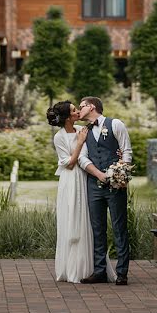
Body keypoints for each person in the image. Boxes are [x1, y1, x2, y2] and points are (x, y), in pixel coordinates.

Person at [48, 100, 117, 283]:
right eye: (73, 110)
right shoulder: (60, 137)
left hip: (86, 178)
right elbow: (69, 164)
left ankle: (91, 267)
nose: (78, 111)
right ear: (67, 117)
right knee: (72, 221)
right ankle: (72, 269)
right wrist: (79, 143)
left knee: (87, 221)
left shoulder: (82, 129)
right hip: (71, 182)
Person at [77, 96, 132, 285]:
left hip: (116, 185)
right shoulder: (83, 132)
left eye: (81, 106)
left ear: (91, 107)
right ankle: (99, 271)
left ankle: (122, 272)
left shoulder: (115, 124)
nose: (78, 110)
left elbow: (126, 151)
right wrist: (99, 175)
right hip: (94, 186)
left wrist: (121, 175)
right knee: (97, 229)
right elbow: (82, 159)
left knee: (119, 227)